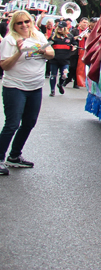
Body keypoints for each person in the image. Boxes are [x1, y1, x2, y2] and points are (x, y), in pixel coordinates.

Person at [0, 11, 55, 175]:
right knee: (12, 123)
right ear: (14, 25)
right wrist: (19, 51)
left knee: (29, 122)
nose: (24, 25)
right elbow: (5, 66)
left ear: (31, 22)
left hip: (35, 87)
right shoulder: (10, 40)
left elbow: (51, 53)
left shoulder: (38, 36)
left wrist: (41, 51)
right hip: (15, 87)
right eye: (19, 23)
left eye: (27, 21)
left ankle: (14, 156)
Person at [47, 22, 76, 97]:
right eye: (59, 27)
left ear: (65, 28)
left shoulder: (69, 37)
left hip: (65, 60)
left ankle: (60, 84)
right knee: (53, 75)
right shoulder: (53, 37)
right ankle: (52, 90)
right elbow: (47, 44)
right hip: (54, 60)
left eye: (61, 27)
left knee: (65, 74)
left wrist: (74, 47)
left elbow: (75, 44)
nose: (59, 28)